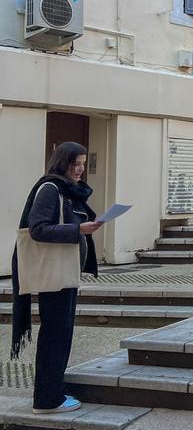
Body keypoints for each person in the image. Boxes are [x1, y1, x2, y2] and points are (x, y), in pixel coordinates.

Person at [11, 142, 102, 414]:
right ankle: (47, 399)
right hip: (55, 273)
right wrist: (78, 230)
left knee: (60, 333)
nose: (81, 170)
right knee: (55, 334)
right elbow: (38, 228)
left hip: (65, 271)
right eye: (76, 164)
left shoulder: (64, 190)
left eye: (84, 164)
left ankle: (52, 393)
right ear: (62, 163)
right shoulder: (49, 189)